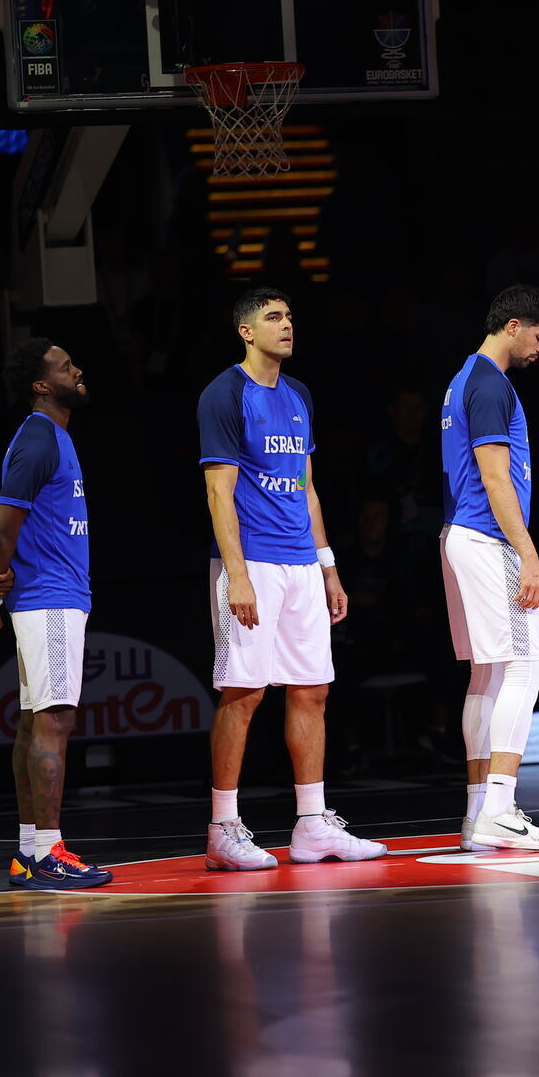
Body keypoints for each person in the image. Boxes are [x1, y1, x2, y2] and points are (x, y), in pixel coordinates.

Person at [198, 286, 384, 870]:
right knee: (244, 693)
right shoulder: (224, 393)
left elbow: (305, 487)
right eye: (273, 318)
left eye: (290, 317)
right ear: (245, 331)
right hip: (251, 562)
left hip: (302, 563)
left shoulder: (299, 394)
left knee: (312, 691)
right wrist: (237, 576)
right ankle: (223, 829)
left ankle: (312, 824)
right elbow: (217, 491)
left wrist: (328, 567)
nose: (287, 326)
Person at [0, 338, 112, 889]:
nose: (77, 369)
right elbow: (1, 531)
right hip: (49, 598)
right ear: (40, 383)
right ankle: (50, 852)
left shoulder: (54, 437)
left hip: (52, 597)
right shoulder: (37, 440)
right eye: (64, 365)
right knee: (53, 722)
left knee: (35, 724)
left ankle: (29, 851)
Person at [440, 285, 539, 851]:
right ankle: (499, 807)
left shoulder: (462, 379)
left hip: (460, 535)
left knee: (488, 673)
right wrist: (529, 553)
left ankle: (477, 815)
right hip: (489, 539)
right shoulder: (491, 384)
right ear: (514, 325)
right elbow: (495, 480)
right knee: (525, 667)